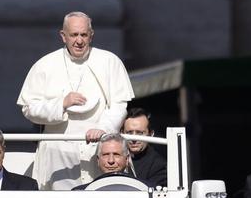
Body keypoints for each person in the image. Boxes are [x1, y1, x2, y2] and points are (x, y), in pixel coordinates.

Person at [17, 11, 135, 190]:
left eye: (84, 35)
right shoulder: (45, 65)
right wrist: (61, 104)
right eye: (74, 35)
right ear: (63, 36)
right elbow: (29, 107)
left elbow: (119, 104)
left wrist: (103, 128)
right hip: (58, 151)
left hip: (97, 149)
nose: (79, 41)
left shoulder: (110, 62)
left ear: (91, 35)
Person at [71, 133, 142, 190]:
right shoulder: (79, 193)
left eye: (116, 154)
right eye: (105, 155)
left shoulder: (144, 190)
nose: (111, 160)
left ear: (126, 159)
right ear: (98, 160)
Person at [121, 107, 167, 187]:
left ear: (151, 134)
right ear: (122, 133)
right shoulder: (113, 157)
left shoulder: (158, 165)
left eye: (140, 133)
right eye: (129, 133)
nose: (134, 138)